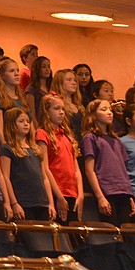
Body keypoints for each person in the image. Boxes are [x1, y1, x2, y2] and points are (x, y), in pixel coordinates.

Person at [81, 99, 135, 227]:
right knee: (112, 231)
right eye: (104, 109)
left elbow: (123, 169)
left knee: (125, 231)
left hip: (123, 190)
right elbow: (89, 170)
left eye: (110, 110)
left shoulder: (116, 139)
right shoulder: (90, 137)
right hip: (107, 191)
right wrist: (100, 197)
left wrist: (130, 195)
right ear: (94, 115)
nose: (109, 113)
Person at [0, 108, 55, 221]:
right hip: (23, 202)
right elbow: (5, 177)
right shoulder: (7, 148)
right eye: (21, 121)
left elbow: (44, 178)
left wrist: (51, 203)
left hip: (41, 202)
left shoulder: (36, 149)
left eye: (28, 121)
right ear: (11, 125)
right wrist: (14, 203)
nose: (26, 124)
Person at [36, 94, 82, 223]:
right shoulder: (42, 133)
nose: (61, 112)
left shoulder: (67, 135)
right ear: (47, 111)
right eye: (56, 109)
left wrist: (81, 194)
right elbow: (45, 168)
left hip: (72, 193)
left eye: (63, 109)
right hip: (57, 192)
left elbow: (76, 169)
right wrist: (59, 197)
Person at [0, 57, 30, 145]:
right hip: (10, 146)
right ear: (2, 76)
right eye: (11, 71)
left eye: (17, 70)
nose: (16, 74)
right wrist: (6, 150)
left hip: (25, 145)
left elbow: (31, 127)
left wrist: (33, 146)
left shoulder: (22, 98)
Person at [51, 69, 85, 151]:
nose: (74, 83)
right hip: (67, 146)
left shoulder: (79, 106)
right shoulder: (57, 106)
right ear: (60, 83)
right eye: (69, 80)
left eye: (75, 80)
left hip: (82, 146)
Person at [24, 55, 51, 122]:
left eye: (49, 67)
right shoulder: (31, 90)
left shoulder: (51, 87)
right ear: (37, 68)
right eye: (43, 67)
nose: (47, 69)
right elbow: (32, 115)